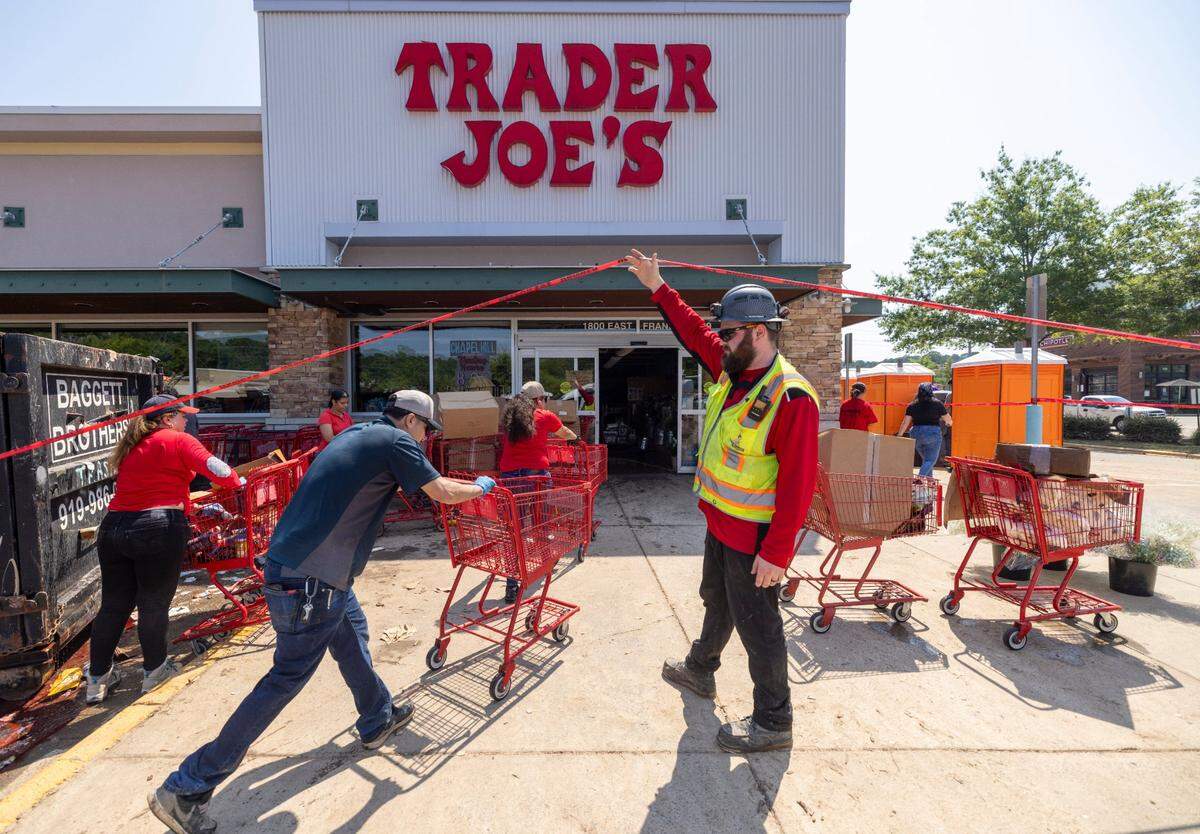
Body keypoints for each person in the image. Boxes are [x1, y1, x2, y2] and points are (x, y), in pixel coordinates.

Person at [149, 391, 496, 833]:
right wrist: (481, 486)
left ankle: (377, 716)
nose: (427, 439)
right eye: (427, 429)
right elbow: (442, 492)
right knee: (286, 679)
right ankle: (188, 785)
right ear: (410, 421)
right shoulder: (395, 442)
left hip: (306, 571)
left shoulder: (355, 435)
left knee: (353, 634)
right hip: (313, 582)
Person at [627, 249, 819, 754]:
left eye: (729, 332)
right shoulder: (733, 370)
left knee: (760, 627)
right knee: (718, 599)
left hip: (755, 536)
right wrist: (657, 284)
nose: (720, 339)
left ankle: (774, 722)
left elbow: (800, 486)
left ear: (759, 331)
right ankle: (701, 668)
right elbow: (693, 332)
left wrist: (777, 554)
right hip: (721, 522)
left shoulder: (791, 398)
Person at [87, 395, 243, 706]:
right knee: (153, 603)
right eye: (183, 416)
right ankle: (155, 671)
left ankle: (96, 681)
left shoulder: (132, 444)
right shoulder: (178, 440)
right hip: (157, 527)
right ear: (167, 419)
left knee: (114, 605)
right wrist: (237, 482)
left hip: (115, 527)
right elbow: (221, 471)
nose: (187, 421)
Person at [498, 380, 578, 604]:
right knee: (540, 522)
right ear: (539, 400)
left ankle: (512, 585)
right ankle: (543, 564)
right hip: (536, 477)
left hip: (510, 477)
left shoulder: (510, 418)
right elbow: (564, 433)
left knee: (516, 527)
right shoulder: (544, 416)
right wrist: (577, 439)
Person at [896, 382, 952, 477]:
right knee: (930, 460)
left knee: (926, 459)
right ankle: (919, 480)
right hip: (932, 433)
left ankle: (930, 483)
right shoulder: (937, 404)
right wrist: (949, 423)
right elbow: (948, 420)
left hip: (916, 433)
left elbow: (905, 422)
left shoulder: (912, 405)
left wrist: (899, 435)